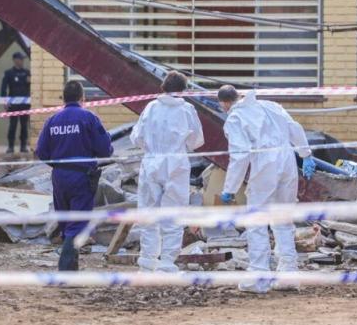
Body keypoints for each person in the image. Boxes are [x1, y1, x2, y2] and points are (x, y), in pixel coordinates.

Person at [217, 85, 316, 293]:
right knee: (283, 219)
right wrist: (306, 155)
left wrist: (230, 187)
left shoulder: (235, 119)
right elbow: (294, 128)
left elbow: (240, 155)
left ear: (225, 103)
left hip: (264, 164)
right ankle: (288, 275)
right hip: (287, 161)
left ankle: (258, 276)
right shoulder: (271, 106)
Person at [130, 71, 204, 272]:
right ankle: (167, 263)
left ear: (163, 87)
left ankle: (147, 263)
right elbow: (197, 141)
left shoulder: (151, 108)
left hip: (152, 162)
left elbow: (136, 137)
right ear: (183, 90)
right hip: (176, 164)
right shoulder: (187, 110)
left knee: (148, 214)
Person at [36, 80, 113, 271]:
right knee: (77, 224)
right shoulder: (89, 118)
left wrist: (58, 164)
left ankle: (71, 265)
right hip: (82, 177)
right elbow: (105, 150)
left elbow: (41, 151)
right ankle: (67, 270)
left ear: (64, 98)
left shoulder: (52, 120)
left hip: (60, 176)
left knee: (65, 221)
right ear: (82, 97)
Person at [0, 52, 31, 153]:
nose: (22, 61)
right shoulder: (9, 73)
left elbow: (32, 88)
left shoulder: (27, 73)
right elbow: (3, 89)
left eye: (22, 59)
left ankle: (23, 146)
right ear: (15, 60)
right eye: (20, 59)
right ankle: (10, 146)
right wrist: (5, 101)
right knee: (12, 126)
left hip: (25, 105)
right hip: (13, 105)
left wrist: (30, 81)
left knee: (24, 126)